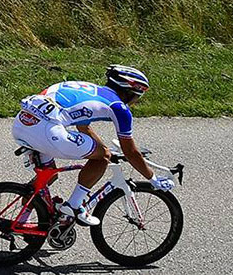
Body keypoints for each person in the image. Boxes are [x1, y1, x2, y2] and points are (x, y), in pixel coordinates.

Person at [12, 65, 174, 226]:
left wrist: (104, 149)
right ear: (130, 92)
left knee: (49, 176)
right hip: (47, 130)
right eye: (138, 97)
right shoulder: (119, 107)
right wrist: (153, 179)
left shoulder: (89, 89)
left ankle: (20, 222)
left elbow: (84, 128)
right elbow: (130, 151)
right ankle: (74, 206)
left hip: (22, 124)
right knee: (102, 158)